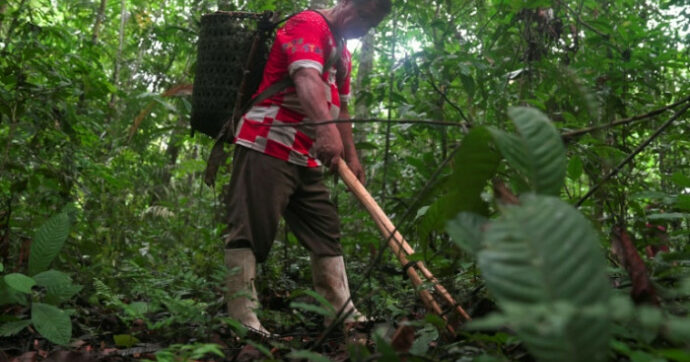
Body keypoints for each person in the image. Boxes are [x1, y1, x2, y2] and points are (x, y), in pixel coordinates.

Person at [223, 0, 392, 336]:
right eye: (363, 16)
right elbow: (305, 77)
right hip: (269, 141)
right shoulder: (308, 24)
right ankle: (242, 319)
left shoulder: (342, 49)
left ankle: (341, 314)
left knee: (326, 231)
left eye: (372, 24)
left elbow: (340, 105)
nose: (364, 27)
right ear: (346, 3)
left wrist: (352, 155)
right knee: (252, 230)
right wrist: (326, 129)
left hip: (305, 153)